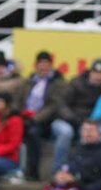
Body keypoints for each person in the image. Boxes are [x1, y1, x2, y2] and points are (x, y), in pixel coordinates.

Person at [19, 50, 69, 180]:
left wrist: (35, 118)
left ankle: (33, 172)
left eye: (46, 64)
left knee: (33, 133)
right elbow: (20, 101)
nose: (43, 67)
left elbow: (54, 105)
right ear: (36, 66)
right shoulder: (28, 82)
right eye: (41, 64)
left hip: (46, 121)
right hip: (26, 117)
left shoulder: (57, 83)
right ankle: (16, 171)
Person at [58, 58, 101, 149]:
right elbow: (62, 105)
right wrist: (74, 119)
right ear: (90, 73)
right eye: (95, 73)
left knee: (99, 132)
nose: (98, 77)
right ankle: (59, 163)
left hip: (90, 122)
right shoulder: (76, 82)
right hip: (67, 120)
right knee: (66, 132)